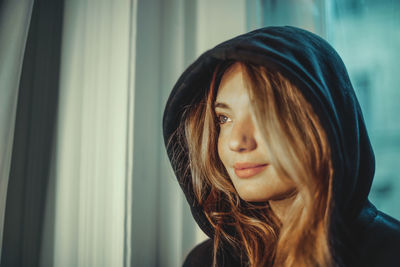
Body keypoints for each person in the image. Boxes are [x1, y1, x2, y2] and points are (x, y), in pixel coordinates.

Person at [162, 26, 400, 267]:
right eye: (223, 119)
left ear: (324, 122)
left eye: (264, 114)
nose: (236, 142)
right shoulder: (205, 261)